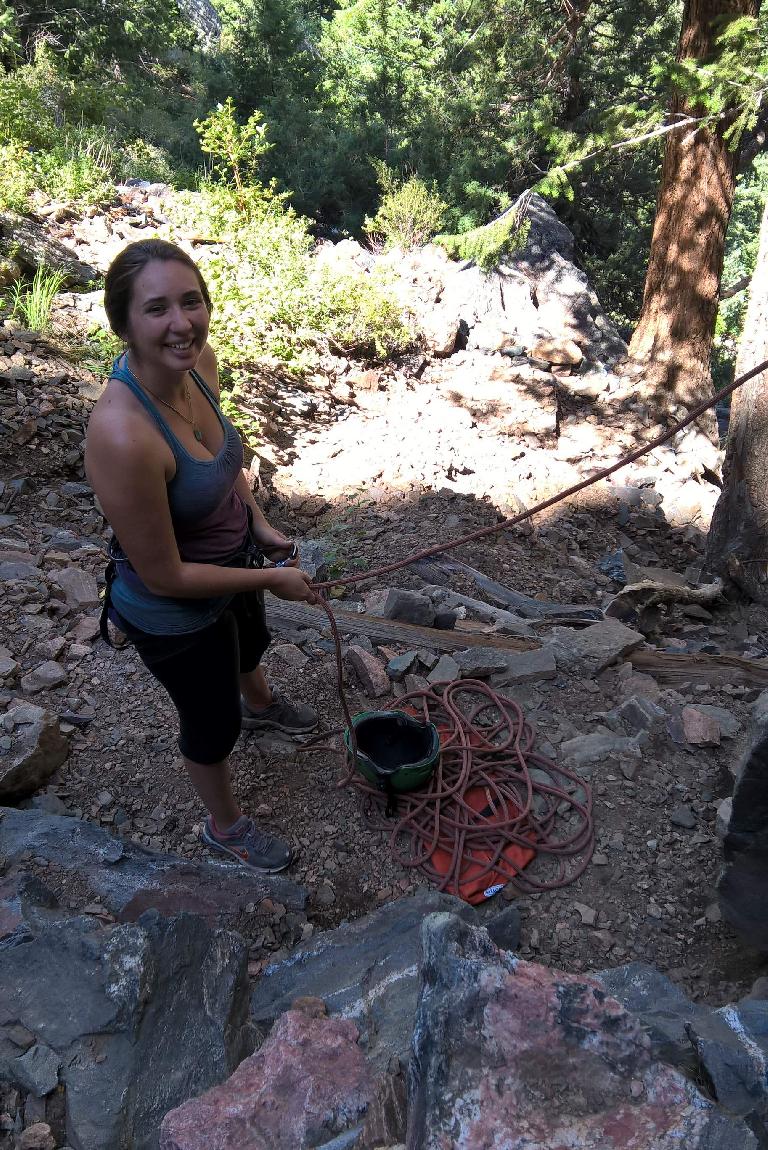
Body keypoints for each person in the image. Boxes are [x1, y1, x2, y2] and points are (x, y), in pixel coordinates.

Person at [85, 238, 320, 874]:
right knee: (212, 723)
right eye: (157, 309)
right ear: (124, 324)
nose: (182, 323)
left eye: (192, 302)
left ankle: (263, 705)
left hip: (235, 562)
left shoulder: (199, 365)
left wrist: (262, 526)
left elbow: (222, 467)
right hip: (172, 609)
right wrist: (271, 577)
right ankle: (225, 827)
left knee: (249, 647)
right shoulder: (122, 434)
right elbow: (164, 573)